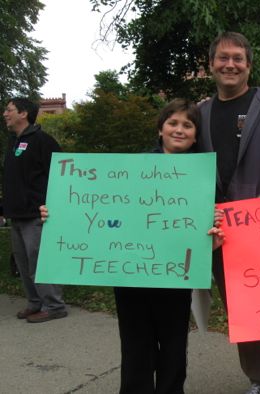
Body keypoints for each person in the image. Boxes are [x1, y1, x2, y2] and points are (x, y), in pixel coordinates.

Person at [40, 98, 225, 394]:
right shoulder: (129, 170)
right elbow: (93, 206)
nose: (180, 129)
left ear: (195, 134)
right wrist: (57, 213)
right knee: (136, 343)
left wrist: (213, 234)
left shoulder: (204, 177)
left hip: (175, 274)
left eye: (188, 125)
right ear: (160, 129)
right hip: (129, 273)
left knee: (175, 343)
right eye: (173, 123)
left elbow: (210, 230)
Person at [197, 32, 260, 394]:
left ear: (249, 66)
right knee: (241, 311)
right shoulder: (201, 113)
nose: (230, 64)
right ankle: (259, 379)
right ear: (211, 64)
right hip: (221, 231)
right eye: (223, 58)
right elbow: (177, 162)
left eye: (238, 58)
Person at [2, 97, 67, 323]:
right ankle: (35, 302)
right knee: (23, 263)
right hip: (16, 215)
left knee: (40, 261)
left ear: (23, 114)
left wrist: (53, 205)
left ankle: (55, 305)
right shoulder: (13, 142)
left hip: (36, 215)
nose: (5, 114)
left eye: (9, 110)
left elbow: (60, 176)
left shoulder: (43, 141)